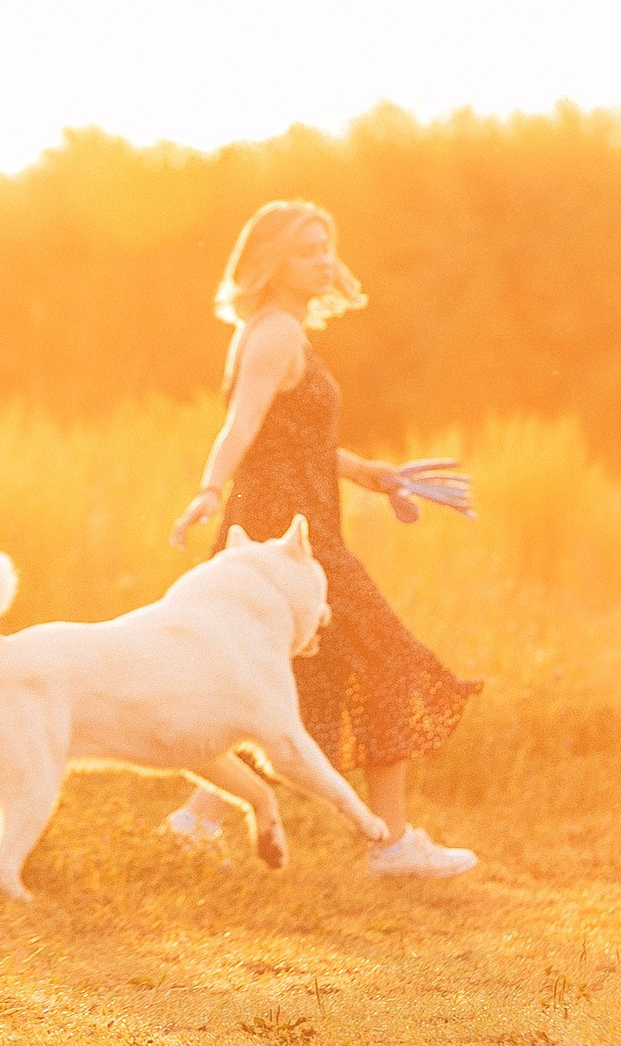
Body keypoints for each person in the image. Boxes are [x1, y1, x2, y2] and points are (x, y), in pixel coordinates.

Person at [168, 200, 482, 879]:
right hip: (290, 541)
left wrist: (367, 473)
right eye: (306, 250)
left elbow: (293, 438)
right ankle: (392, 846)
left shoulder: (270, 329)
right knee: (386, 662)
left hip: (287, 530)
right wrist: (208, 489)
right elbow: (242, 425)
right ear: (272, 261)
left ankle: (196, 819)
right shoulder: (277, 333)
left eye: (326, 247)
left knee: (290, 683)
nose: (322, 260)